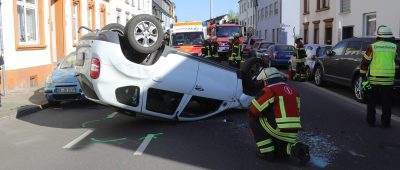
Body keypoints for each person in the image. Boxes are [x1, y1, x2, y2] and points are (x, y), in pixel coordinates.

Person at [247, 67, 310, 165]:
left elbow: (253, 109)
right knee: (280, 151)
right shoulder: (293, 91)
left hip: (277, 128)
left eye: (264, 82)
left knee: (254, 121)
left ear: (266, 81)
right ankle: (299, 150)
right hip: (293, 132)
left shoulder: (270, 90)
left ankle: (266, 153)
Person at [360, 25, 397, 128]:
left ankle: (371, 121)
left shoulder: (373, 47)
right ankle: (386, 123)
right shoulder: (394, 47)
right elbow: (394, 60)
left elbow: (365, 63)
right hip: (388, 80)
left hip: (374, 79)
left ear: (378, 36)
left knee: (372, 101)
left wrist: (363, 77)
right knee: (387, 103)